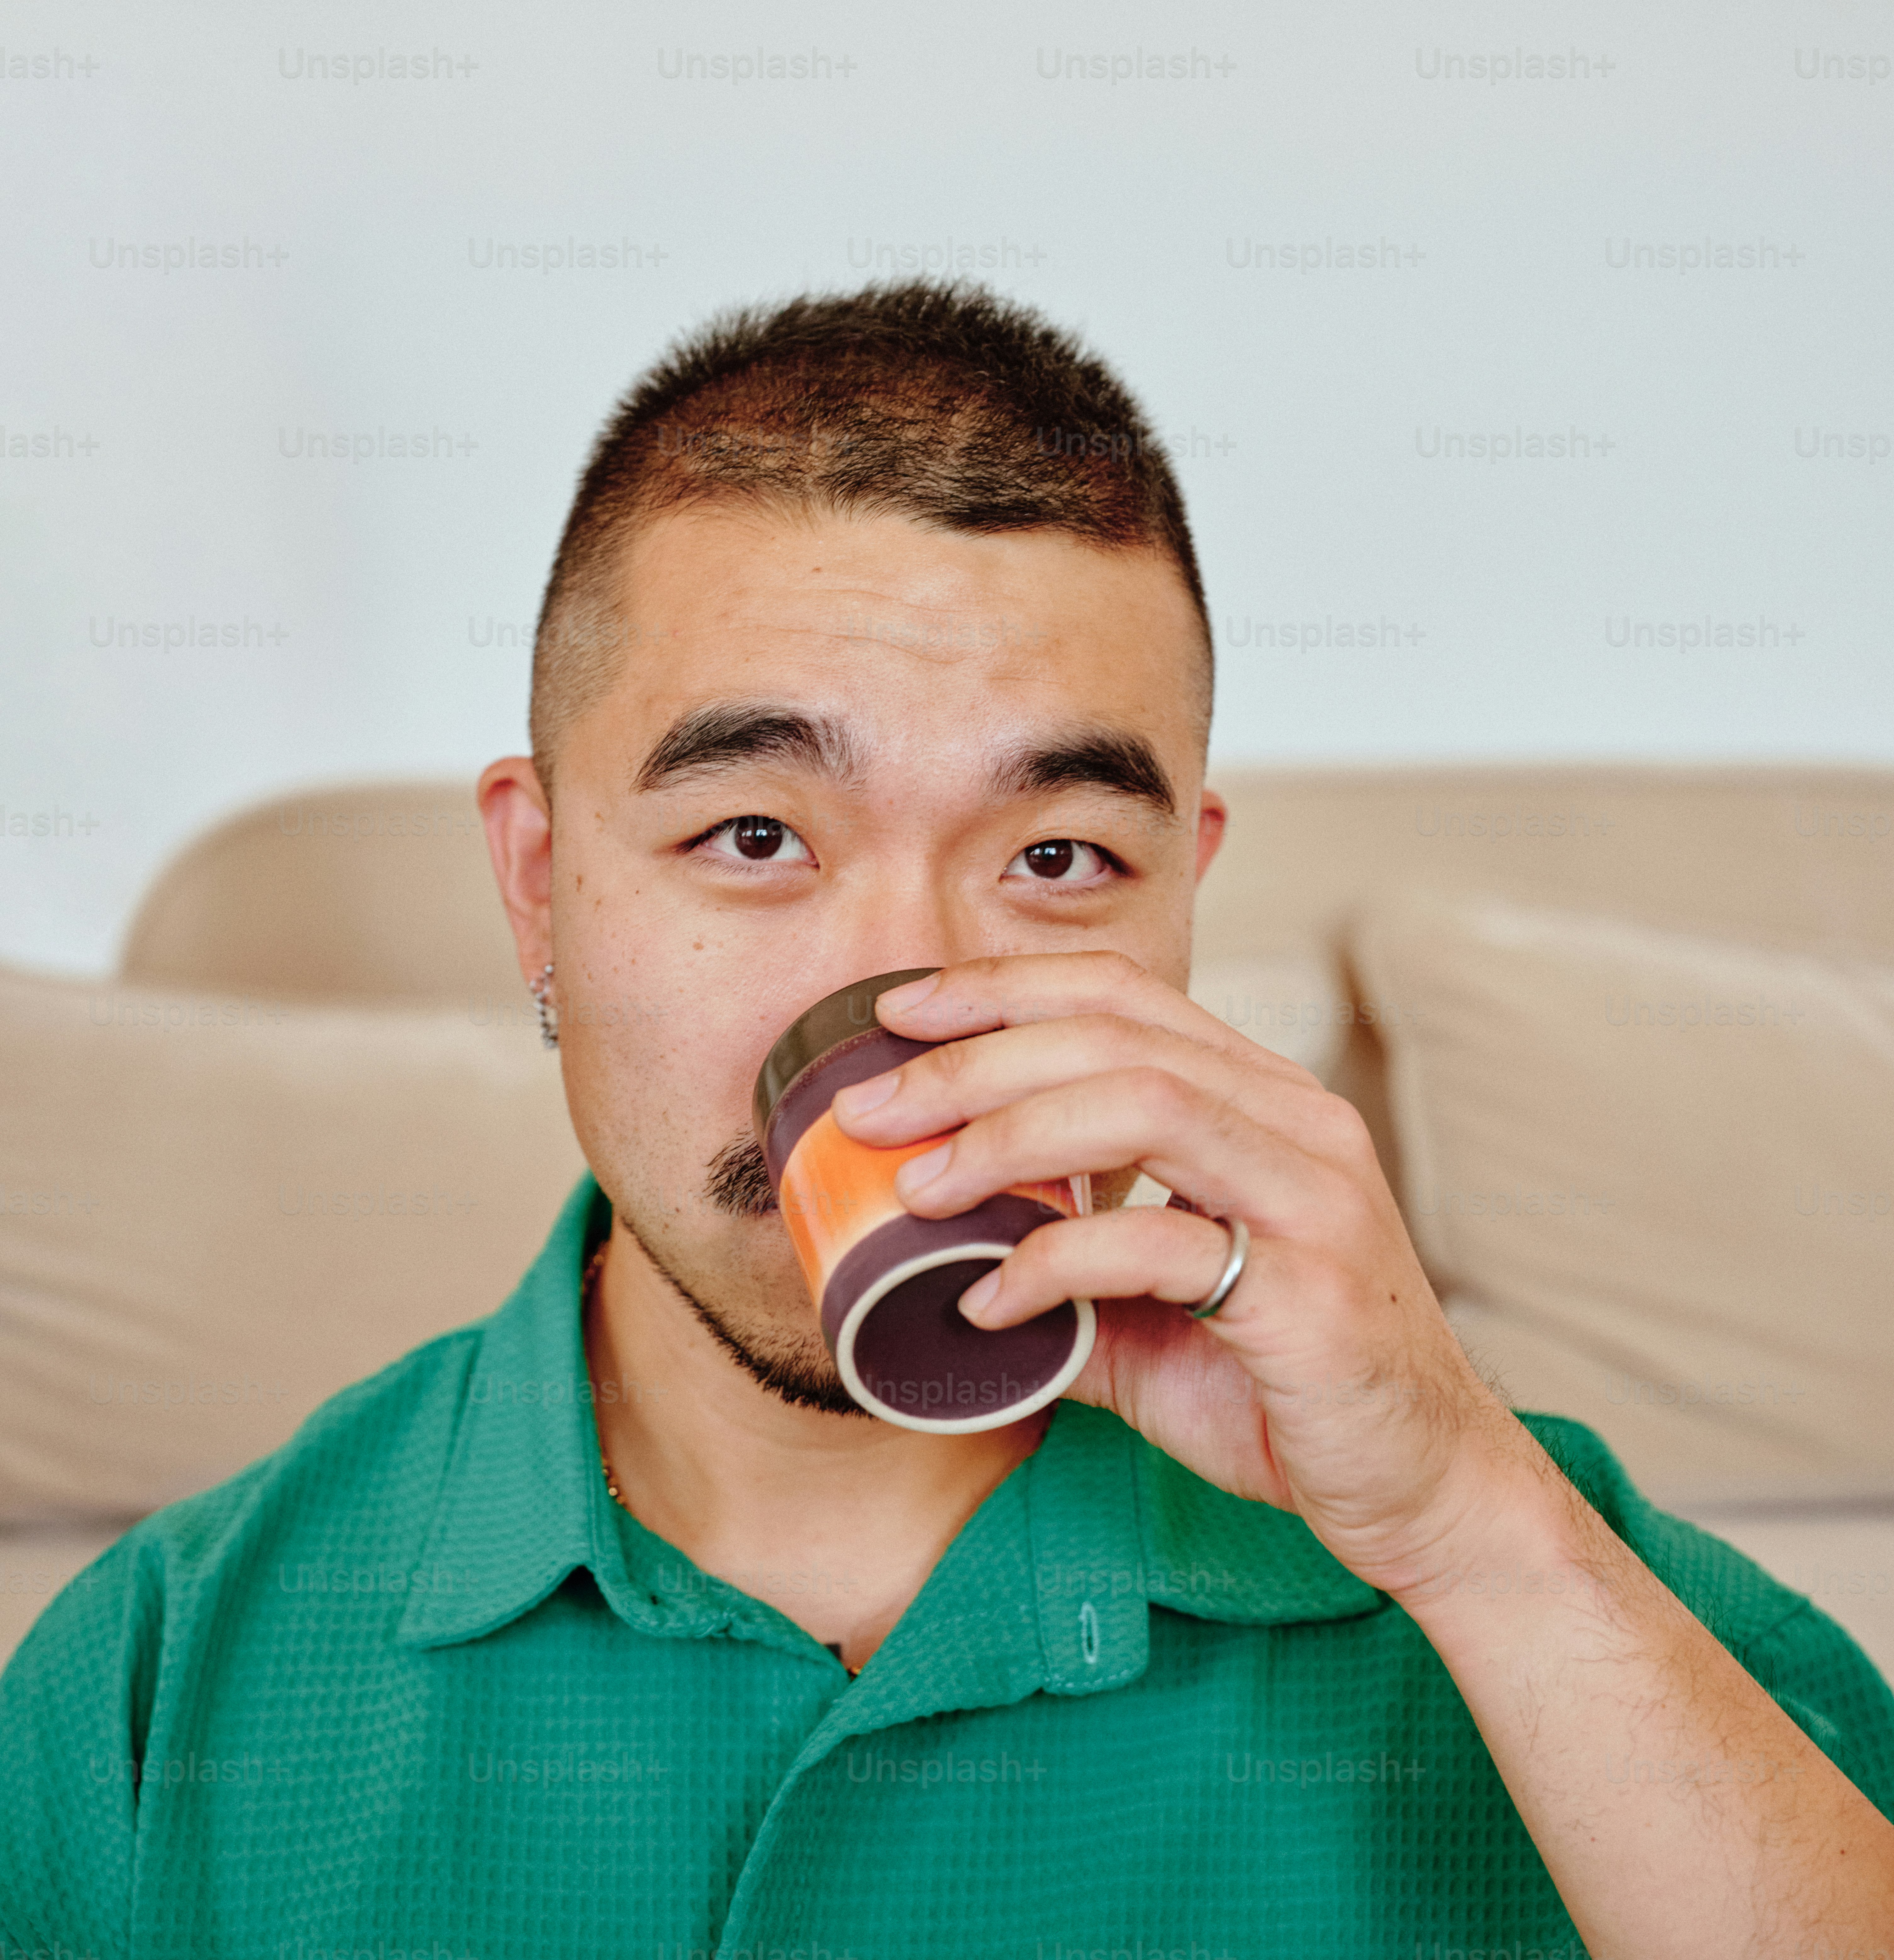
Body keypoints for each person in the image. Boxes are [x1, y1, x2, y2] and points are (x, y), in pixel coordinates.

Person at [3, 281, 1891, 1958]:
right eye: (754, 838)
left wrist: (1467, 1530)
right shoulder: (159, 1690)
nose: (905, 1015)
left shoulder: (1534, 1564)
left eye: (1058, 855)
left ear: (1181, 904)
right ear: (539, 884)